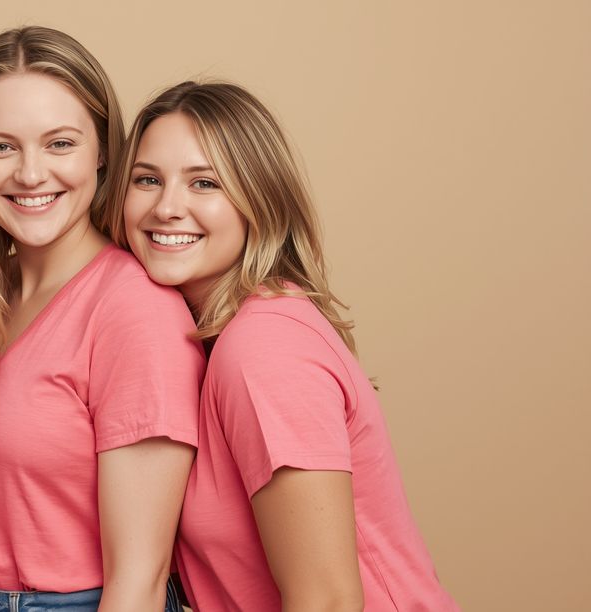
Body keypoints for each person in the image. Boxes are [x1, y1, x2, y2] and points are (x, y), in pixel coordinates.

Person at [104, 81, 460, 611]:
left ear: (259, 200)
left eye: (205, 183)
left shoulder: (263, 347)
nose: (167, 207)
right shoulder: (212, 334)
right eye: (147, 180)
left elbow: (329, 601)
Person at [0, 26, 204, 612]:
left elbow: (139, 578)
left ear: (104, 150)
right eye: (0, 147)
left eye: (59, 144)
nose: (30, 175)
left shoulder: (134, 309)